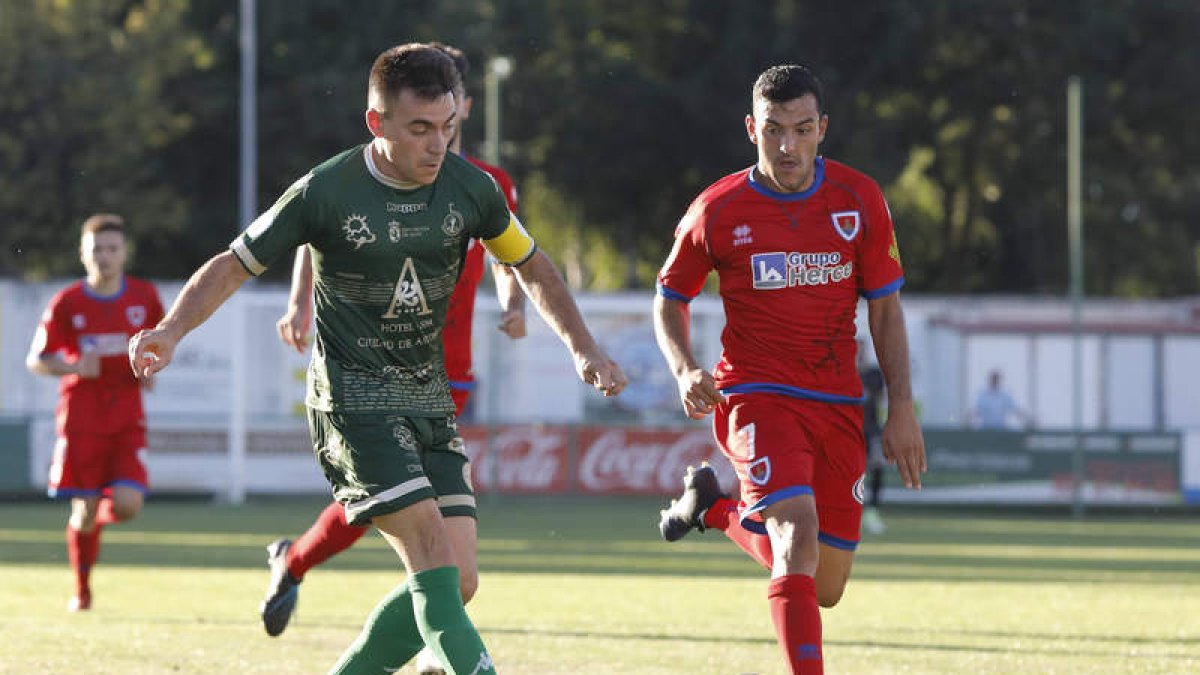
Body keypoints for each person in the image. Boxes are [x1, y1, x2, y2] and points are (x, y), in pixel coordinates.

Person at [128, 43, 625, 674]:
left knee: (461, 579)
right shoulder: (326, 189)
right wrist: (171, 331)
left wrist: (584, 348)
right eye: (419, 129)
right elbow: (234, 263)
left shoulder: (472, 188)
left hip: (429, 396)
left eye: (446, 127)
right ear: (377, 122)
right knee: (434, 564)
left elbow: (529, 263)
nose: (437, 144)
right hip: (352, 400)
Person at [260, 42, 529, 675]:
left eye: (455, 105)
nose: (444, 122)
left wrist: (512, 301)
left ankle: (433, 629)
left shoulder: (485, 184)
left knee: (451, 568)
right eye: (428, 115)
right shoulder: (358, 179)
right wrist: (301, 303)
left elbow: (512, 250)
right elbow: (318, 229)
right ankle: (301, 565)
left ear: (463, 105)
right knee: (410, 527)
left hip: (443, 372)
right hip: (368, 379)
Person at [651, 64, 926, 674]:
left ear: (822, 128)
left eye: (802, 130)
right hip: (756, 394)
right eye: (774, 130)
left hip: (837, 401)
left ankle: (713, 506)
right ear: (752, 127)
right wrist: (683, 368)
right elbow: (670, 297)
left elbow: (885, 310)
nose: (788, 146)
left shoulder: (859, 199)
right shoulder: (716, 210)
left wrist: (901, 407)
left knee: (824, 586)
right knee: (795, 538)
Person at [26, 213, 164, 612]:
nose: (104, 257)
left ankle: (96, 523)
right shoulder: (67, 302)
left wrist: (152, 367)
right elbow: (36, 359)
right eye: (96, 250)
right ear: (83, 255)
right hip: (81, 418)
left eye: (111, 249)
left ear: (124, 253)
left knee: (127, 505)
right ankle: (82, 590)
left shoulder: (144, 297)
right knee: (82, 511)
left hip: (126, 417)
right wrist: (71, 367)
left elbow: (160, 345)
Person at [858, 344, 887, 535]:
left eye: (861, 350)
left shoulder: (873, 375)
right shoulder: (841, 373)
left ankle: (872, 511)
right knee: (852, 473)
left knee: (876, 468)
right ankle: (855, 511)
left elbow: (880, 398)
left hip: (871, 431)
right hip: (848, 432)